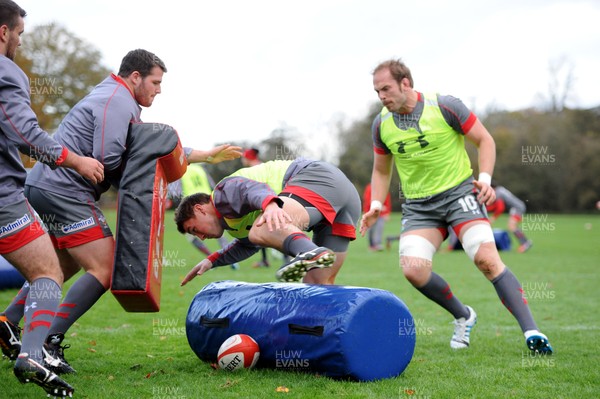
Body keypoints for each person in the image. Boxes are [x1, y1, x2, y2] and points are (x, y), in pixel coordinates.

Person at [0, 48, 241, 375]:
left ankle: (8, 321)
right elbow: (109, 158)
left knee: (62, 262)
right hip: (65, 188)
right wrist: (144, 188)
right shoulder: (119, 100)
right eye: (155, 82)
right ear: (136, 76)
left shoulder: (114, 95)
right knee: (105, 266)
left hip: (45, 184)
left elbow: (147, 146)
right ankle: (47, 341)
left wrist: (204, 154)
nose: (159, 90)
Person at [360, 59, 552, 355]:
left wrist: (485, 179)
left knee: (487, 259)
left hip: (460, 193)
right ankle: (463, 315)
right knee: (413, 270)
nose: (382, 96)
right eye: (377, 91)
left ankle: (532, 331)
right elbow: (382, 171)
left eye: (386, 88)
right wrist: (375, 204)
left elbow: (484, 140)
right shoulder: (381, 124)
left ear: (406, 83)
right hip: (419, 207)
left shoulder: (445, 106)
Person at [0, 0, 104, 396]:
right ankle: (31, 354)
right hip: (4, 198)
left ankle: (11, 326)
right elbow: (26, 134)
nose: (21, 44)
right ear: (3, 32)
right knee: (47, 273)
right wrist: (76, 160)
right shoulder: (7, 72)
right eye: (20, 34)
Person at [176, 158, 361, 286]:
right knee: (317, 284)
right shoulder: (231, 222)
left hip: (316, 178)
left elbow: (251, 190)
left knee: (261, 228)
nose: (200, 237)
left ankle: (308, 252)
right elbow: (247, 245)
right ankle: (333, 339)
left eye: (194, 229)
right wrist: (211, 261)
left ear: (199, 209)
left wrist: (271, 205)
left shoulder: (221, 194)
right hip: (345, 198)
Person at [167, 163, 240, 270]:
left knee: (192, 236)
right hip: (206, 201)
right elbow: (212, 184)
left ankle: (211, 257)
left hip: (191, 207)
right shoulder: (200, 168)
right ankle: (228, 259)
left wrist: (171, 199)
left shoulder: (180, 171)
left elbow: (176, 191)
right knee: (218, 229)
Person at [241, 147, 270, 268]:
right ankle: (266, 260)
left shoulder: (252, 170)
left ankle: (267, 260)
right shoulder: (263, 166)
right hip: (270, 201)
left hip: (263, 203)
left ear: (248, 158)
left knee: (262, 230)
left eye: (243, 157)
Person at [486, 183, 532, 253]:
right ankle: (525, 242)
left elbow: (500, 208)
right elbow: (496, 206)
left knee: (511, 226)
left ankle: (525, 242)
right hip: (518, 206)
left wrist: (493, 218)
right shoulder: (500, 190)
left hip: (517, 208)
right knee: (512, 226)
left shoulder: (497, 192)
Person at [362, 183, 392, 251]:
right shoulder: (369, 187)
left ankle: (377, 244)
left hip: (380, 214)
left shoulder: (384, 188)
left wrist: (387, 213)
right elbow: (367, 200)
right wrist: (378, 206)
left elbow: (387, 201)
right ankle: (371, 245)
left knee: (379, 227)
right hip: (370, 212)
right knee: (370, 229)